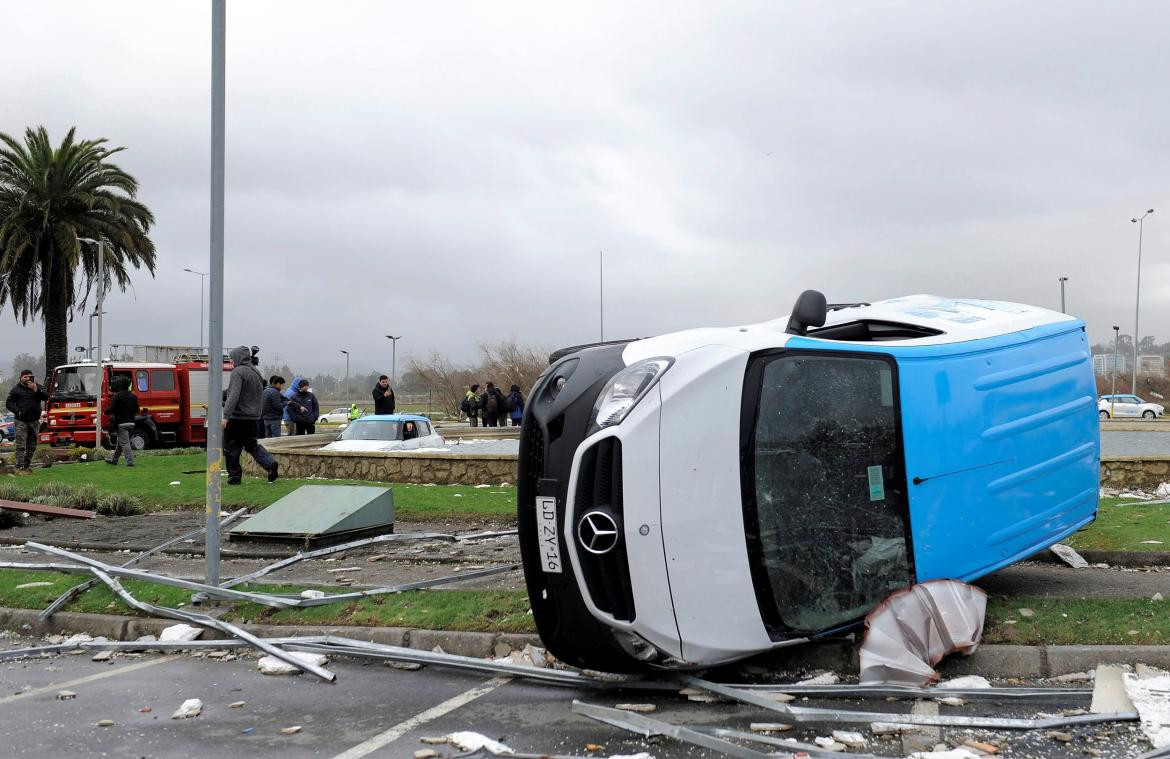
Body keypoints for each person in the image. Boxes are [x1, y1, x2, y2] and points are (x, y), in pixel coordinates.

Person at [222, 345, 278, 485]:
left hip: (237, 418)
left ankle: (234, 478)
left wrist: (226, 416)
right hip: (253, 418)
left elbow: (234, 395)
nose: (231, 361)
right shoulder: (255, 372)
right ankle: (269, 463)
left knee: (232, 448)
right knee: (252, 445)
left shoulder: (238, 372)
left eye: (232, 358)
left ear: (237, 357)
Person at [5, 369, 47, 475]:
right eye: (25, 377)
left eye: (29, 376)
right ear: (21, 377)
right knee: (21, 445)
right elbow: (8, 403)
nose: (27, 378)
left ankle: (27, 466)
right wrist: (17, 411)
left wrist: (36, 389)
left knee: (32, 445)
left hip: (34, 421)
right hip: (21, 421)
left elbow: (46, 397)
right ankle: (19, 467)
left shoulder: (38, 386)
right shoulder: (16, 389)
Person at [105, 376, 140, 466]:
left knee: (124, 443)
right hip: (132, 423)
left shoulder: (117, 396)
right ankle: (114, 460)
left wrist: (105, 411)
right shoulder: (133, 396)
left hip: (121, 423)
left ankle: (130, 461)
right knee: (120, 443)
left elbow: (111, 409)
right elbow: (137, 409)